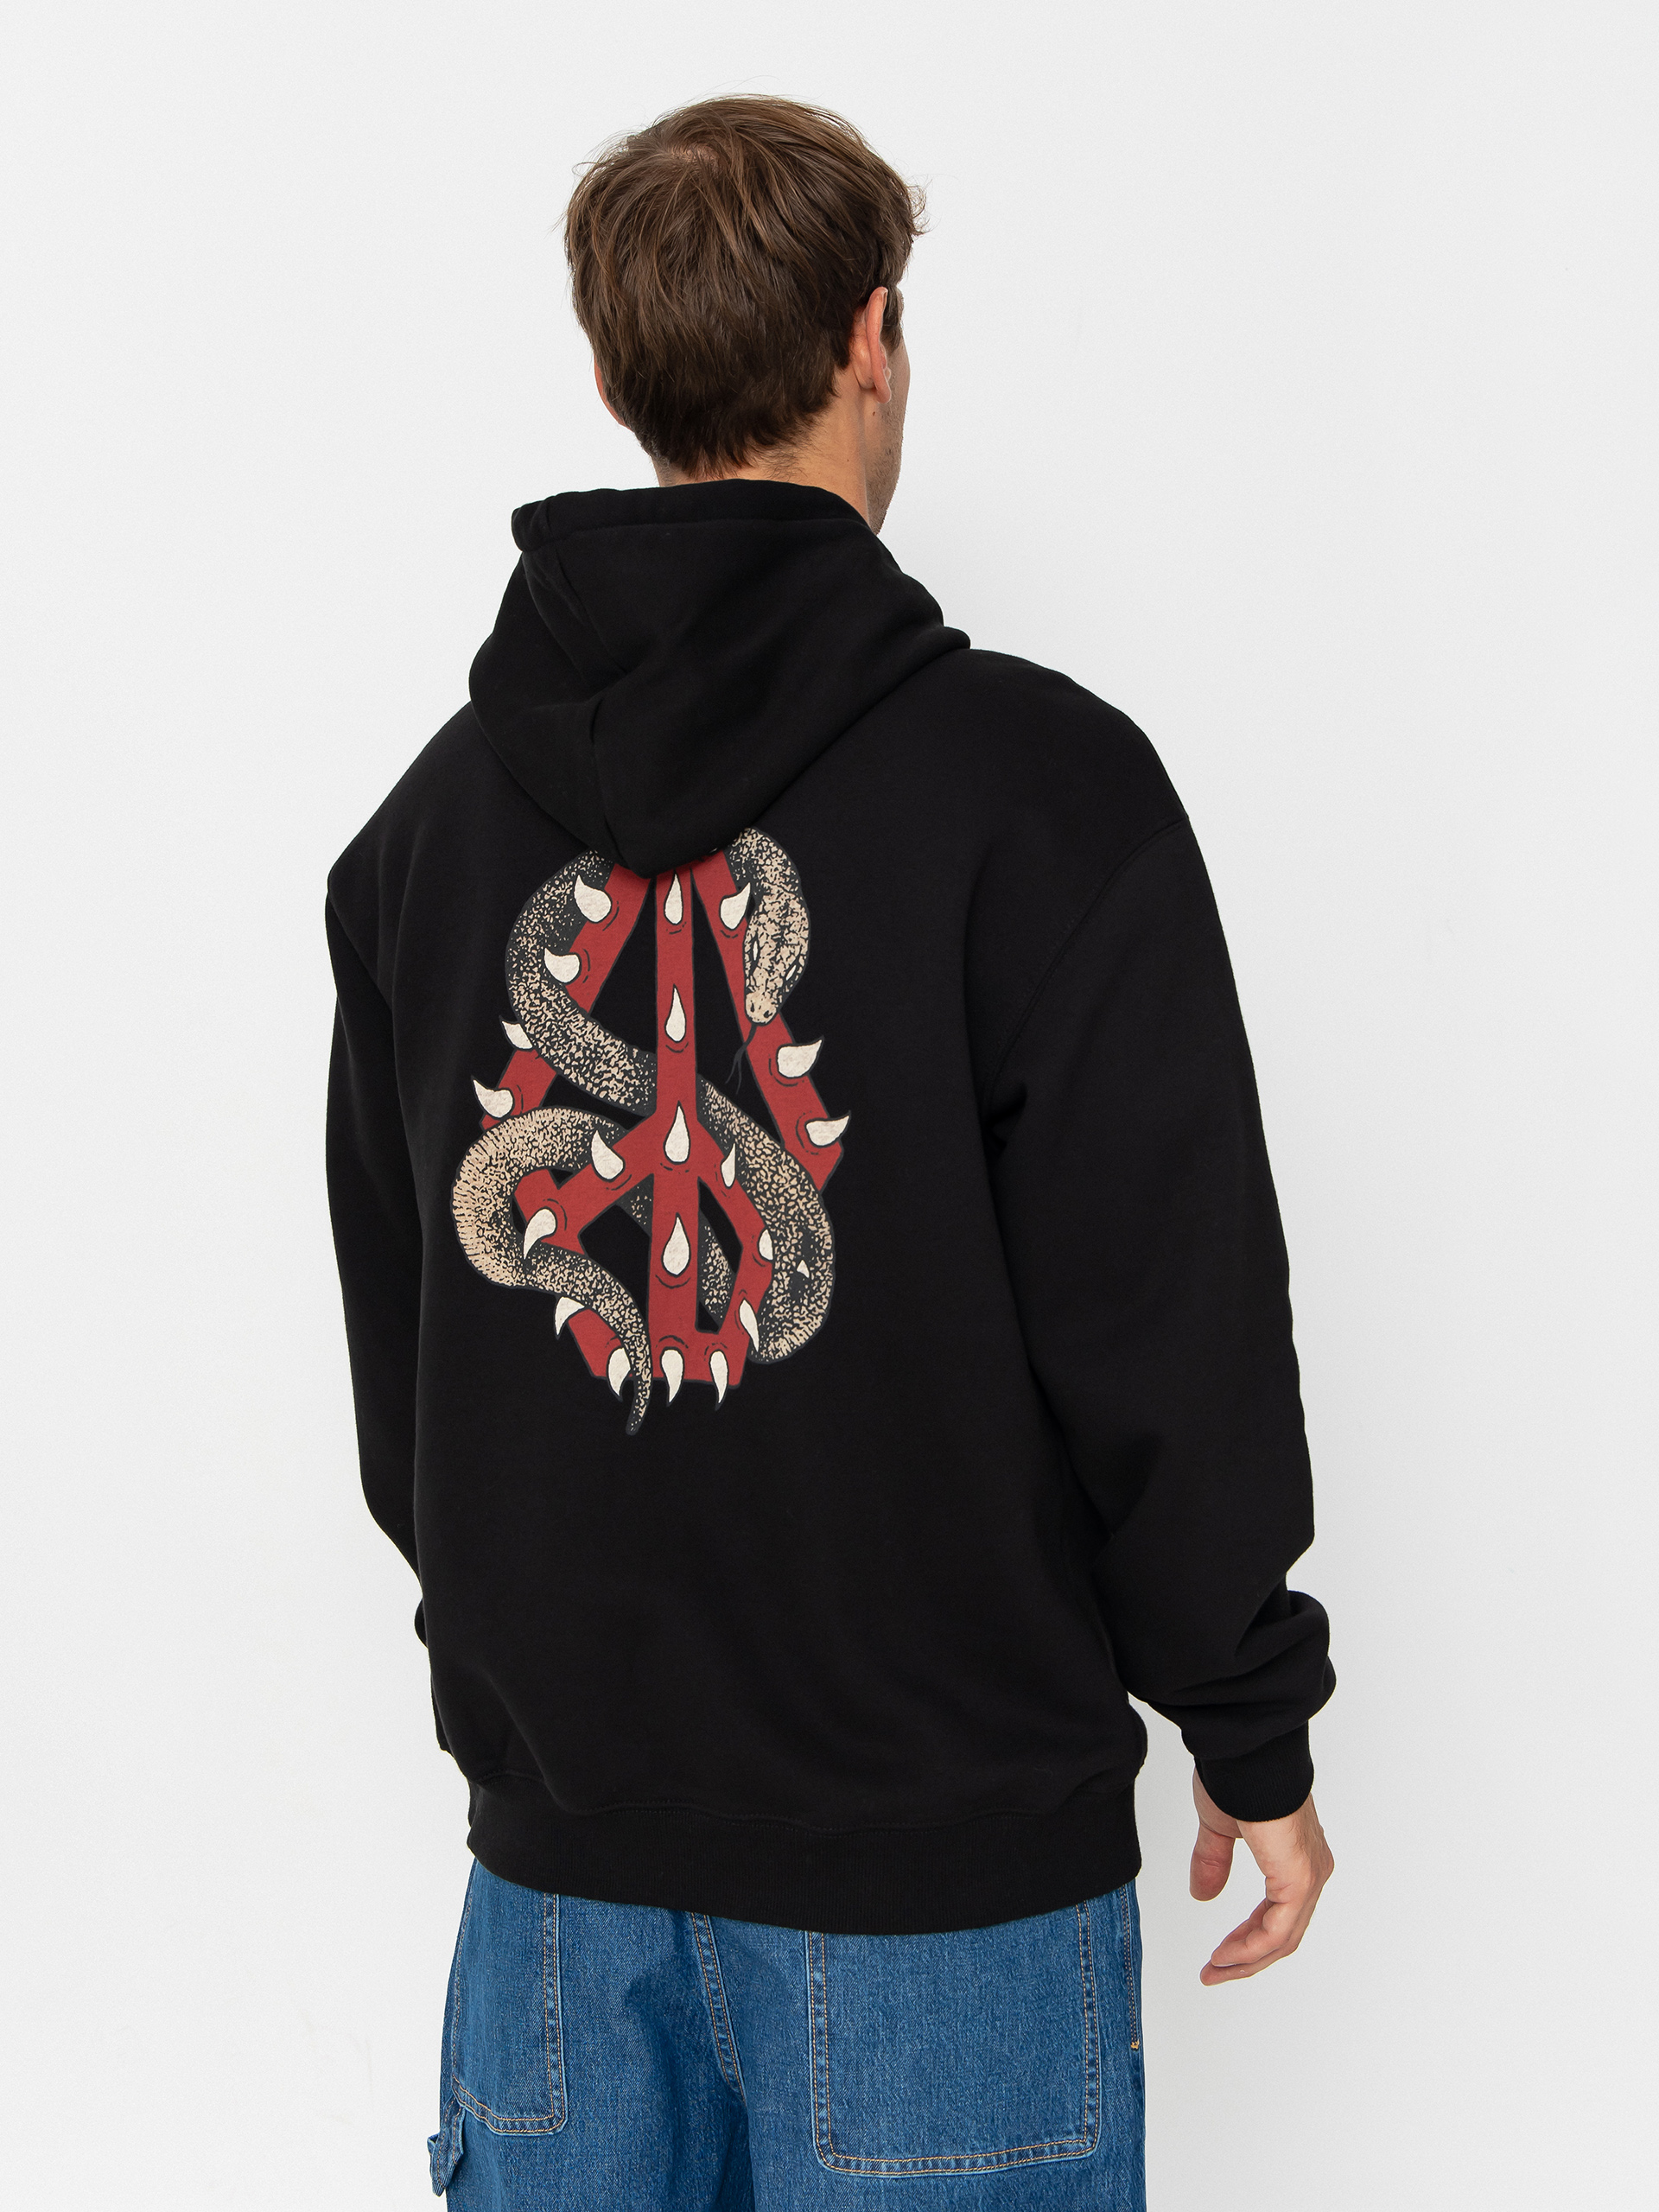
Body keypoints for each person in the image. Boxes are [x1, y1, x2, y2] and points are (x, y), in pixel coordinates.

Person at [325, 93, 1335, 2211]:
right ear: (875, 335)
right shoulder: (1046, 794)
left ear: (614, 369)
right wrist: (1247, 1718)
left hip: (558, 1908)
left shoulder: (426, 835)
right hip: (942, 1894)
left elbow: (411, 1359)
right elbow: (1167, 1315)